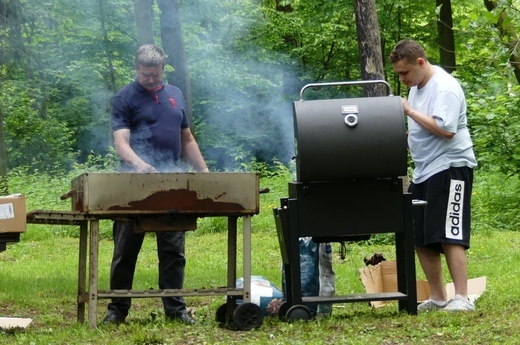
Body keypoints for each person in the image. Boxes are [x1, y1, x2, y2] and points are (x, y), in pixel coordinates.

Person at [103, 44, 209, 325]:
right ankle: (116, 310)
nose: (151, 80)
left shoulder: (175, 94)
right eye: (145, 75)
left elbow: (187, 139)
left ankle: (176, 310)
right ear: (137, 69)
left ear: (163, 69)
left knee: (173, 251)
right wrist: (140, 165)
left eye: (156, 75)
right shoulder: (125, 97)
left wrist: (205, 171)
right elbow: (121, 142)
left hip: (172, 183)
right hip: (134, 187)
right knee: (126, 250)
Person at [389, 39, 478, 312]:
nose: (402, 79)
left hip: (451, 166)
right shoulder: (416, 86)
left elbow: (445, 128)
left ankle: (462, 297)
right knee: (420, 236)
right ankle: (439, 298)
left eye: (404, 73)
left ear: (420, 62)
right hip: (425, 170)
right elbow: (420, 127)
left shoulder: (445, 87)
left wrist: (410, 111)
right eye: (398, 74)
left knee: (449, 232)